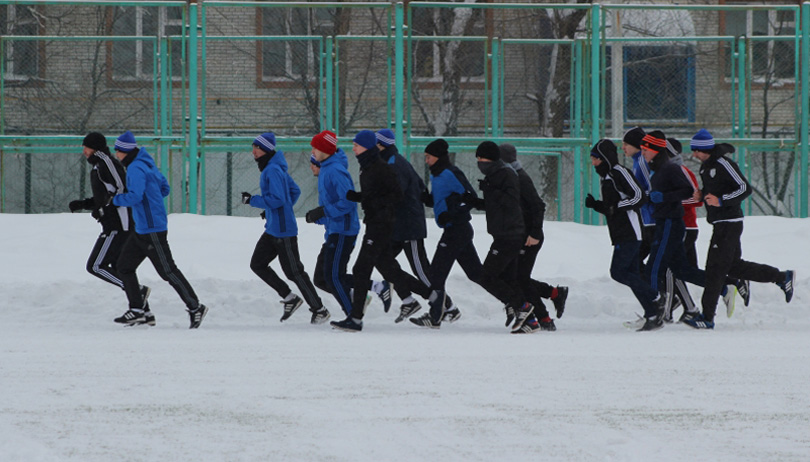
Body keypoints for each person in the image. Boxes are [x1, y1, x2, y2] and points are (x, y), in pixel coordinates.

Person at [687, 129, 795, 329]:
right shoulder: (705, 167)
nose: (694, 154)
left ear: (705, 149)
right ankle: (781, 277)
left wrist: (721, 201)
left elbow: (744, 188)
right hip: (720, 223)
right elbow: (715, 190)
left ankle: (707, 317)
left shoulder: (724, 164)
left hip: (729, 223)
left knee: (714, 269)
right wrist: (702, 195)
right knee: (733, 266)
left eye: (696, 150)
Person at [331, 130, 434, 332]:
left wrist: (369, 201)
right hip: (376, 223)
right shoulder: (368, 167)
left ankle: (356, 319)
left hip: (381, 226)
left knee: (361, 269)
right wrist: (359, 197)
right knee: (388, 268)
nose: (353, 148)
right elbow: (376, 194)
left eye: (356, 145)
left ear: (368, 147)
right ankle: (431, 295)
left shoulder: (381, 168)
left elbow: (395, 194)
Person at [110, 131, 209, 328]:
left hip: (151, 229)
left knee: (168, 271)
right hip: (144, 227)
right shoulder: (147, 163)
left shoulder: (136, 168)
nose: (116, 154)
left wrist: (115, 200)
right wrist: (152, 200)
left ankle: (195, 307)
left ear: (124, 151)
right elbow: (165, 188)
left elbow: (135, 196)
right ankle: (137, 310)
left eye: (117, 150)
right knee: (124, 267)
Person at [376, 129, 461, 324]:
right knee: (382, 259)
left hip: (407, 226)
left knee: (422, 272)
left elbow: (395, 194)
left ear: (380, 146)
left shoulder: (394, 163)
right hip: (398, 225)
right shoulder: (390, 161)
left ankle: (448, 307)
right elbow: (419, 186)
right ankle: (408, 299)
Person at [410, 139, 496, 330]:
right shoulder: (437, 175)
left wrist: (454, 212)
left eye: (429, 157)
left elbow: (470, 198)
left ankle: (435, 316)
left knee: (436, 273)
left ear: (438, 157)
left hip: (457, 228)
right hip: (454, 229)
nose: (426, 161)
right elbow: (442, 200)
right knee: (476, 274)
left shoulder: (451, 173)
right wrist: (427, 198)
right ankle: (514, 302)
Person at [241, 132, 326, 324]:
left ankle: (319, 309)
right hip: (274, 228)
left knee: (294, 272)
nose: (254, 151)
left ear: (267, 150)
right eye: (253, 147)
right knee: (258, 264)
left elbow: (278, 199)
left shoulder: (272, 170)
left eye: (258, 148)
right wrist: (275, 211)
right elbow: (294, 191)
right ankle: (290, 298)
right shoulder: (274, 167)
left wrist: (252, 200)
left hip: (283, 231)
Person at [585, 139, 665, 329]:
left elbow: (639, 196)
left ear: (605, 157)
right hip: (620, 231)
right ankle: (652, 315)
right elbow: (613, 208)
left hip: (631, 231)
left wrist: (616, 206)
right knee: (631, 273)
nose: (594, 162)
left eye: (595, 158)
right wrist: (598, 205)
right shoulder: (606, 177)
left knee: (618, 272)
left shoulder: (619, 172)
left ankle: (656, 295)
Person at [69, 132, 151, 317]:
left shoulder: (105, 162)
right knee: (118, 267)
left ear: (95, 148)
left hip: (118, 225)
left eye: (86, 147)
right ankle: (143, 312)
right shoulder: (99, 165)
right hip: (113, 223)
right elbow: (106, 193)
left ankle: (137, 291)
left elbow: (121, 187)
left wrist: (105, 207)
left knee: (96, 265)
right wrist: (85, 204)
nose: (84, 151)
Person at [459, 141, 537, 333]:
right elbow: (494, 204)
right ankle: (530, 321)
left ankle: (522, 307)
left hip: (510, 234)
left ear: (492, 159)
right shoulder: (495, 175)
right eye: (477, 158)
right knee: (508, 278)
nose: (479, 162)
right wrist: (476, 202)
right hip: (504, 233)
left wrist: (490, 190)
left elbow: (510, 201)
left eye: (482, 158)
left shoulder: (506, 173)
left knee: (486, 276)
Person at [638, 130, 708, 331]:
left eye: (645, 149)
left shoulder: (670, 168)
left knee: (653, 267)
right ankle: (723, 286)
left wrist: (663, 197)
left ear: (656, 150)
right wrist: (651, 198)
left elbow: (688, 192)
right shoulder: (657, 169)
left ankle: (655, 311)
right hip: (665, 221)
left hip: (671, 222)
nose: (643, 152)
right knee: (680, 270)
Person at [499, 143, 568, 330]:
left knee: (520, 278)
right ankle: (553, 294)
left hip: (529, 236)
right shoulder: (510, 177)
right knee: (514, 276)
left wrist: (534, 232)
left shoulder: (520, 178)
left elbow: (538, 206)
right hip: (519, 234)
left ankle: (544, 318)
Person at [305, 130, 360, 323]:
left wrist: (324, 212)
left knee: (334, 276)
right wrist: (317, 217)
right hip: (334, 229)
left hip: (343, 230)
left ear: (325, 150)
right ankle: (369, 294)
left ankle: (354, 316)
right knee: (323, 278)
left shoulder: (335, 170)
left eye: (315, 147)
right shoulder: (327, 169)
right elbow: (332, 203)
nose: (312, 151)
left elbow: (348, 202)